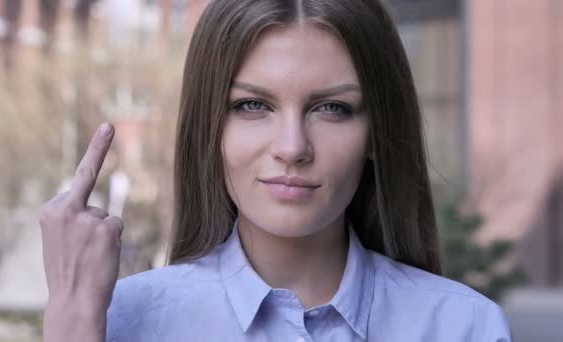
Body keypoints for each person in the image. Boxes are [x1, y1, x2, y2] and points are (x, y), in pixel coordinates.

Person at [41, 0, 512, 341]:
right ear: (211, 126)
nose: (292, 148)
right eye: (252, 105)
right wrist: (70, 319)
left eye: (332, 108)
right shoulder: (120, 320)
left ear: (377, 133)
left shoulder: (463, 326)